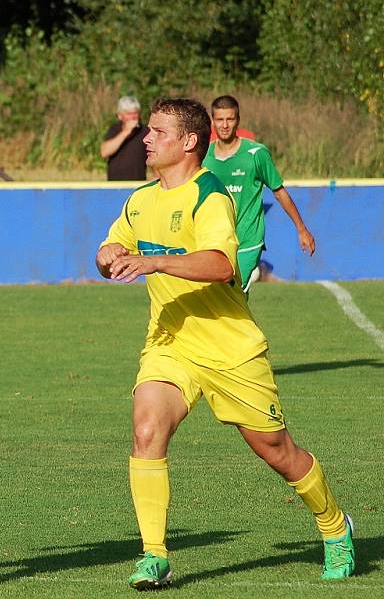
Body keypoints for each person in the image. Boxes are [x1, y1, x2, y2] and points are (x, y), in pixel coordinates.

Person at [95, 98, 355, 590]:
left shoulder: (209, 196)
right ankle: (154, 555)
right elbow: (109, 252)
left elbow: (221, 265)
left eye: (156, 132)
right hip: (170, 342)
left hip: (230, 349)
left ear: (189, 142)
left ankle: (335, 525)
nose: (145, 140)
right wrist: (107, 255)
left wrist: (153, 262)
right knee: (147, 428)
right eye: (146, 131)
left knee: (277, 451)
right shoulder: (139, 200)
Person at [203, 95, 315, 293]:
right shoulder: (204, 156)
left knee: (231, 294)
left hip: (248, 239)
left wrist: (301, 229)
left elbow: (279, 192)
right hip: (216, 240)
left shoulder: (256, 154)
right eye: (220, 119)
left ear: (238, 120)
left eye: (230, 119)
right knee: (223, 300)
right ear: (212, 121)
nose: (225, 125)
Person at [101, 95, 150, 181]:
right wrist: (126, 132)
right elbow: (104, 152)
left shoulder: (144, 131)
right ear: (120, 115)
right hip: (114, 185)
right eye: (129, 114)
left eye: (135, 113)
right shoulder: (114, 129)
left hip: (138, 184)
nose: (133, 117)